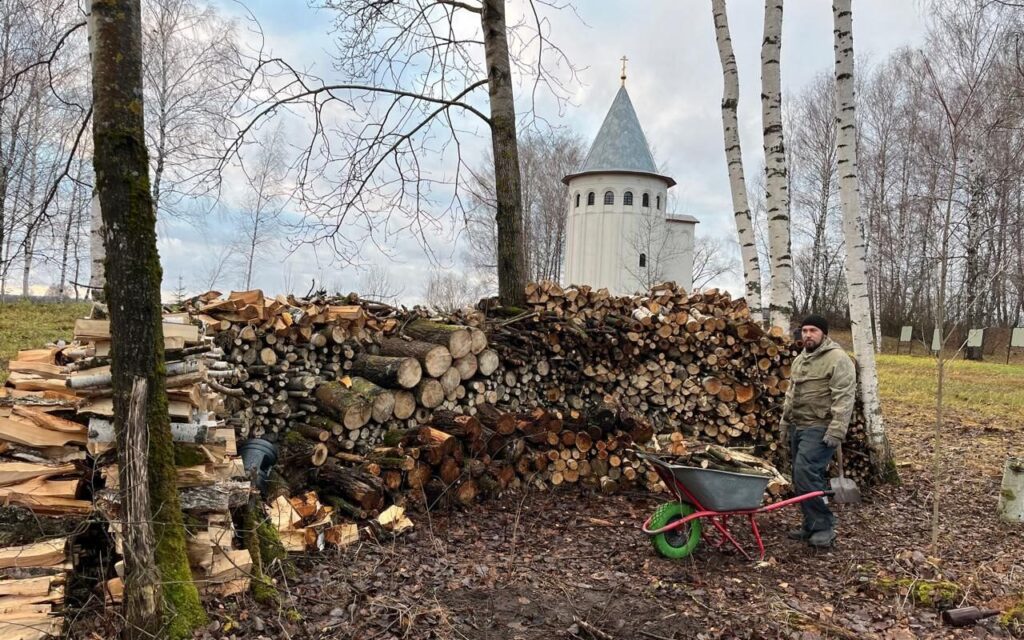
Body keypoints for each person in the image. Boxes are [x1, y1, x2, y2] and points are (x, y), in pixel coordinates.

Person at [778, 314, 856, 548]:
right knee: (801, 476)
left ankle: (823, 527)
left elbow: (844, 397)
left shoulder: (837, 358)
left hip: (820, 427)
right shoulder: (801, 359)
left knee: (805, 472)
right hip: (798, 425)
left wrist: (837, 430)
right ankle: (810, 525)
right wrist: (784, 421)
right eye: (805, 331)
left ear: (824, 333)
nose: (808, 335)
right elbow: (791, 394)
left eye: (813, 330)